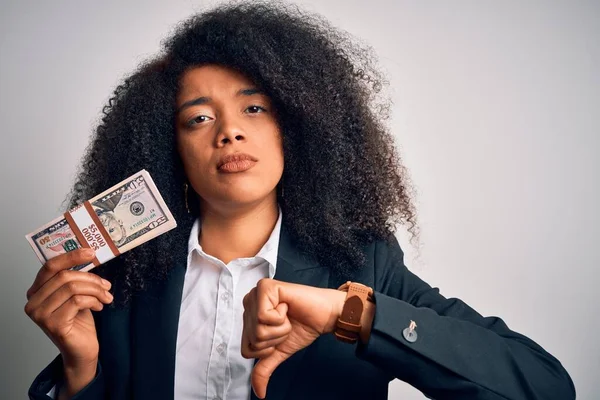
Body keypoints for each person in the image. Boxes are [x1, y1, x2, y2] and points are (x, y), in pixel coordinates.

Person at [24, 2, 575, 399]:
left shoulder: (364, 264)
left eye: (255, 109)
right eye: (198, 118)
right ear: (170, 151)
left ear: (299, 127)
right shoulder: (122, 282)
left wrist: (348, 314)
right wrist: (80, 371)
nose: (229, 132)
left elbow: (544, 386)